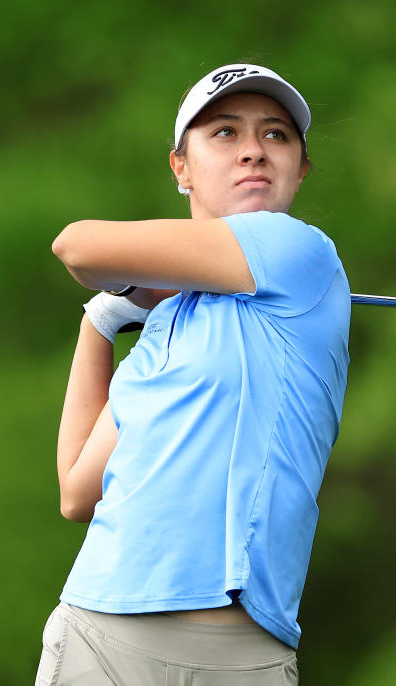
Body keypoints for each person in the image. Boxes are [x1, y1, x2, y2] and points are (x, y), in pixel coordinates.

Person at [36, 64, 350, 686]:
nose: (254, 150)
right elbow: (77, 490)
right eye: (225, 133)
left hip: (238, 652)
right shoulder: (164, 324)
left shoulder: (299, 251)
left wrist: (138, 279)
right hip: (100, 629)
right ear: (181, 168)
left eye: (276, 135)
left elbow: (80, 246)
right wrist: (102, 321)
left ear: (301, 169)